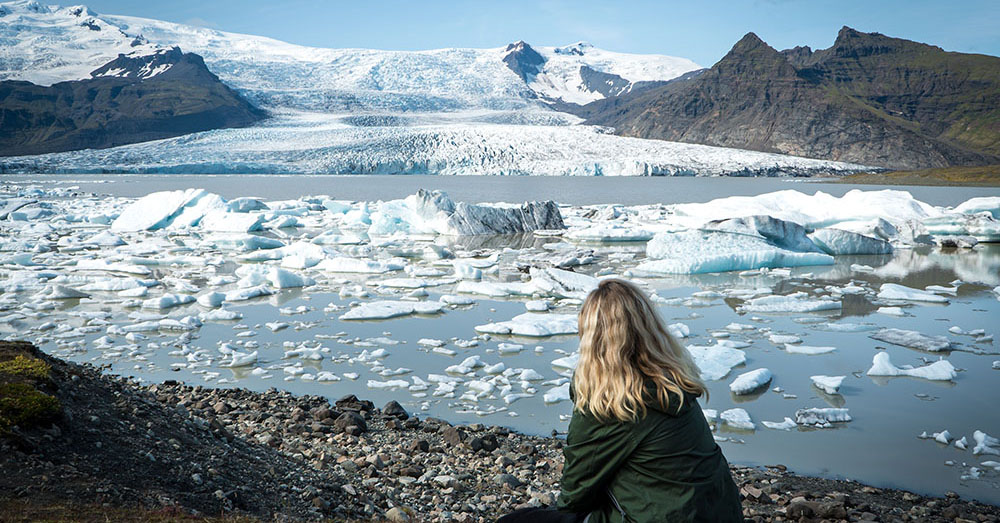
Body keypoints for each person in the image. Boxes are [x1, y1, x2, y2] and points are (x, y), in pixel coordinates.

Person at [498, 279, 742, 523]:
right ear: (648, 326)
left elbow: (574, 495)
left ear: (592, 338)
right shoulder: (672, 380)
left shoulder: (613, 402)